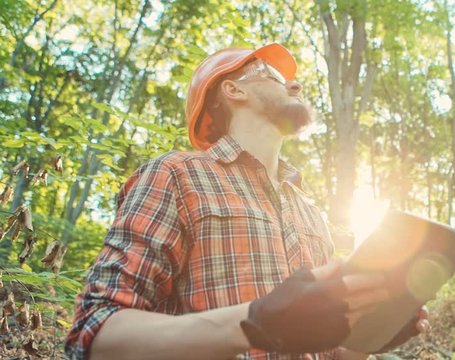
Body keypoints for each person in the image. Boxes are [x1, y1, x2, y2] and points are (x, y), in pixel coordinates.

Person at [65, 43, 428, 360]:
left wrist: (370, 337)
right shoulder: (176, 175)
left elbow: (325, 350)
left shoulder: (311, 213)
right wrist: (255, 322)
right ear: (232, 89)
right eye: (272, 73)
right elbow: (95, 335)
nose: (296, 84)